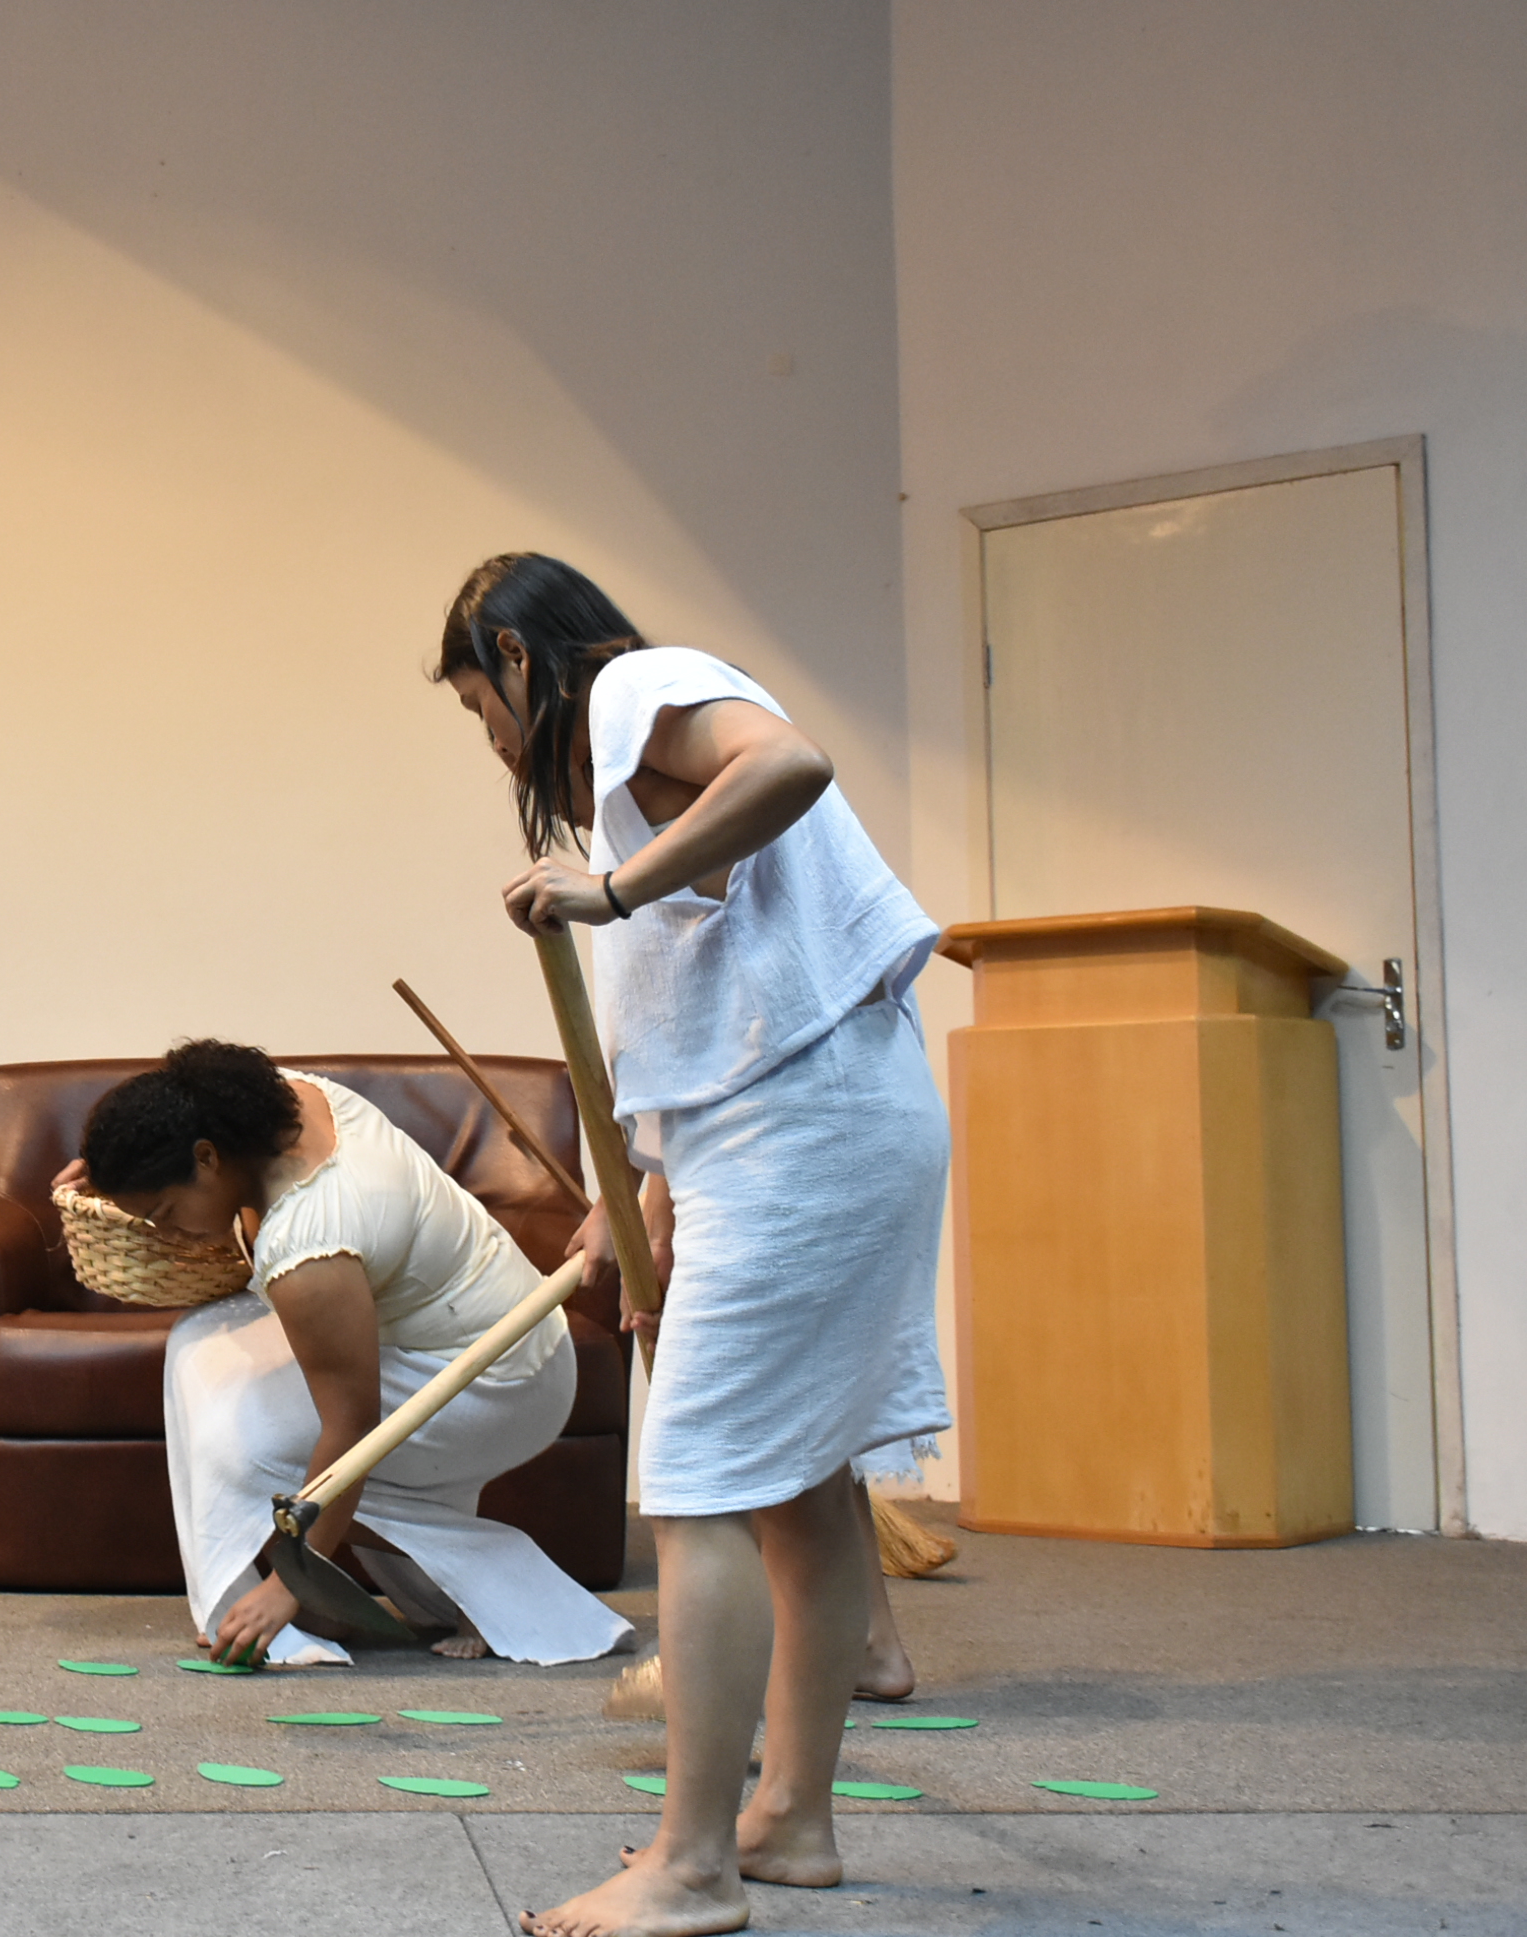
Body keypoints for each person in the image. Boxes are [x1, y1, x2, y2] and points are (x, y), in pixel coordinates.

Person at [435, 553, 950, 1937]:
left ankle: (693, 1861)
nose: (492, 741)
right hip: (806, 1126)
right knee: (799, 1491)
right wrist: (645, 1197)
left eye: (480, 705)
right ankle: (789, 1823)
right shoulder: (630, 781)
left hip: (810, 1132)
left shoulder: (636, 687)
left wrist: (609, 891)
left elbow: (791, 762)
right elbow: (707, 1010)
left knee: (702, 1486)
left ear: (517, 655)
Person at [61, 1040, 631, 1668]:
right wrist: (115, 1172)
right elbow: (173, 1120)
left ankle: (461, 1586)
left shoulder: (311, 1241)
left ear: (206, 1157)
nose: (166, 1232)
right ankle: (352, 1594)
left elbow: (353, 1428)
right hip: (463, 1335)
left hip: (499, 1380)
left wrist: (291, 1583)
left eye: (165, 1212)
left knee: (239, 1450)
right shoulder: (274, 1103)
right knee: (201, 1346)